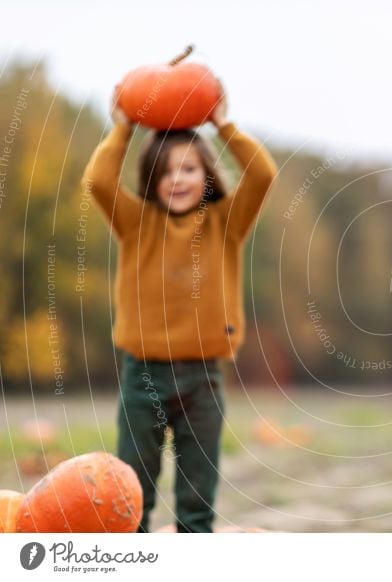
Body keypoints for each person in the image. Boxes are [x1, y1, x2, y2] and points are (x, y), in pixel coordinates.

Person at [81, 83, 277, 532]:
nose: (179, 179)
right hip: (142, 374)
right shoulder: (135, 223)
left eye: (189, 168)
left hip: (203, 377)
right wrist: (124, 126)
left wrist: (223, 124)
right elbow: (97, 181)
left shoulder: (226, 221)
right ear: (151, 180)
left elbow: (262, 174)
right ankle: (134, 552)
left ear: (207, 173)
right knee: (133, 484)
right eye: (167, 172)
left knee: (197, 491)